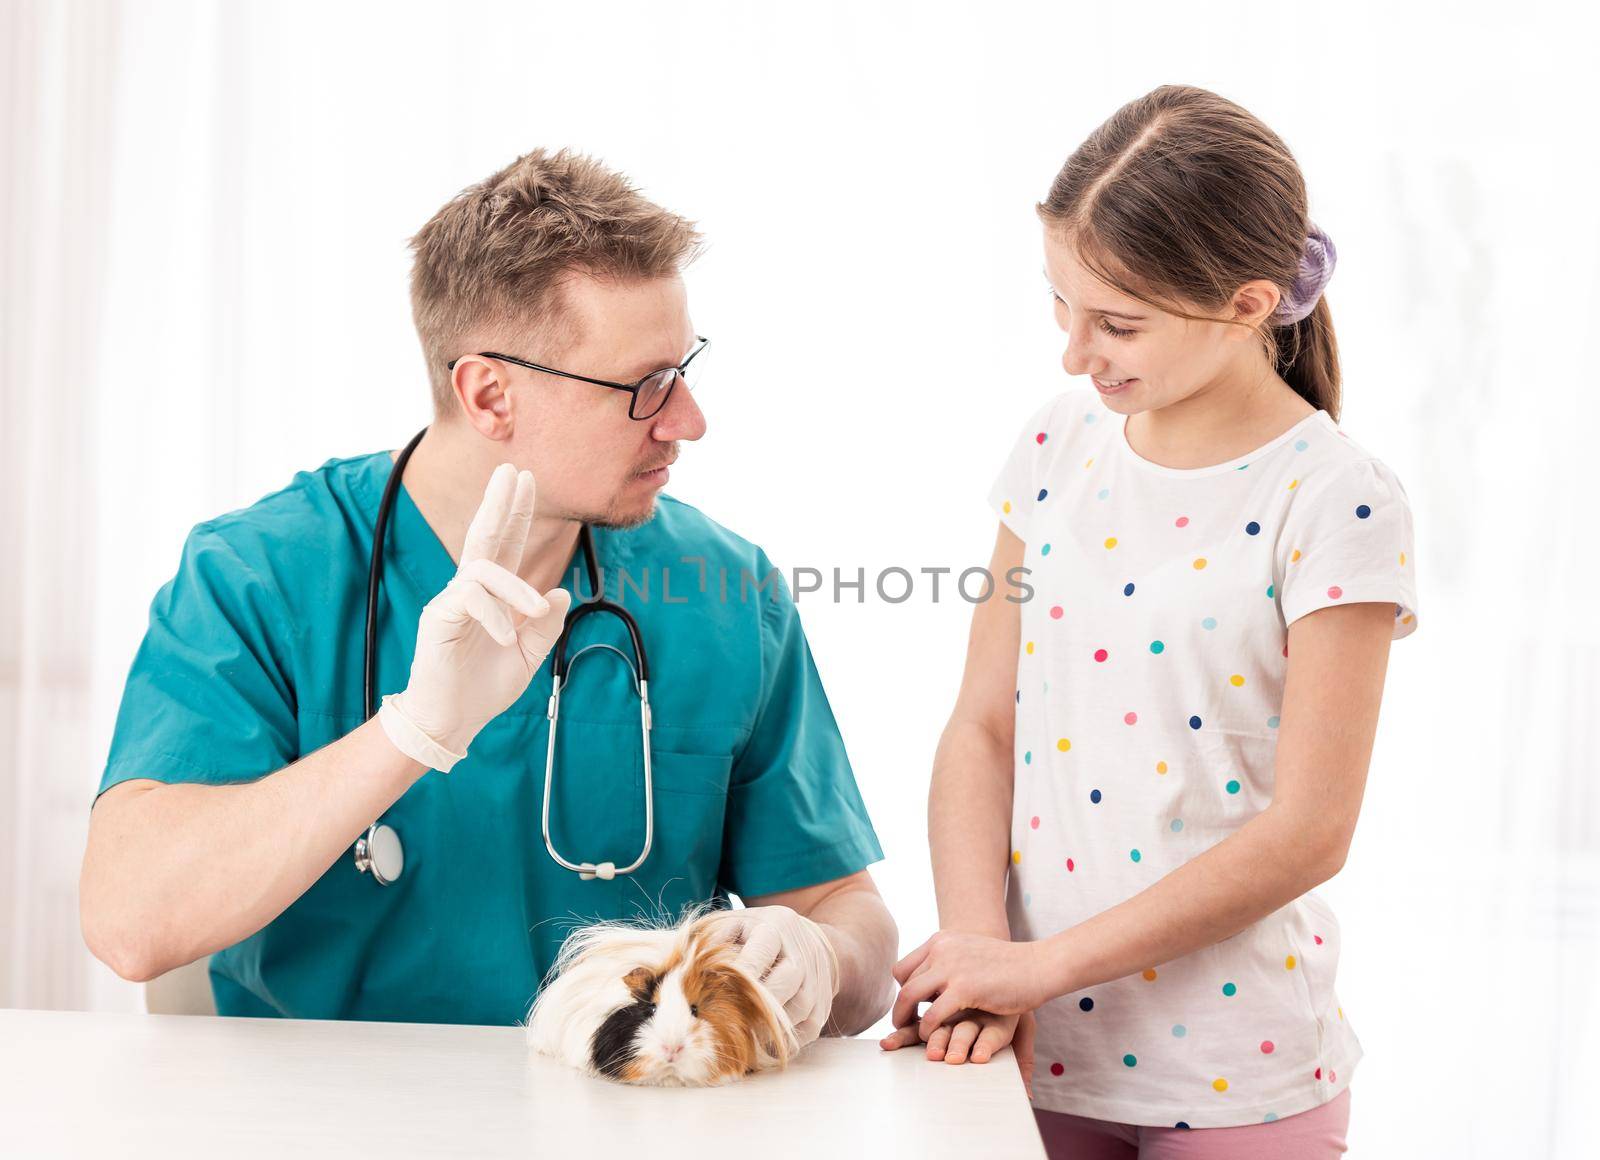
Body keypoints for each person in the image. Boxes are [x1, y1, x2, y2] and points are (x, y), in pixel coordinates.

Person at [80, 149, 896, 1039]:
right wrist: (410, 732)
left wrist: (824, 956)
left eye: (685, 368)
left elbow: (841, 906)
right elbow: (130, 922)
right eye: (643, 386)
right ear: (489, 393)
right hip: (316, 1116)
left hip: (627, 1115)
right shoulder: (260, 577)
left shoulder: (725, 593)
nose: (688, 420)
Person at [881, 84, 1418, 1158]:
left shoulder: (1335, 499)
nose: (1075, 353)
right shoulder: (1053, 449)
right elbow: (981, 725)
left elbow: (1309, 830)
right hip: (1022, 1054)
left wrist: (1036, 966)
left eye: (1117, 322)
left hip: (1237, 1079)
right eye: (1060, 305)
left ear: (1248, 300)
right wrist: (983, 954)